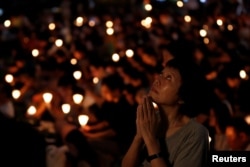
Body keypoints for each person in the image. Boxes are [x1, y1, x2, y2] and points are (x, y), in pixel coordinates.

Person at [121, 58, 210, 167]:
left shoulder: (194, 134)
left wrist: (150, 140)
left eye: (168, 78)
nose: (157, 80)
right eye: (161, 74)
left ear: (183, 96)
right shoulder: (152, 120)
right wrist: (139, 137)